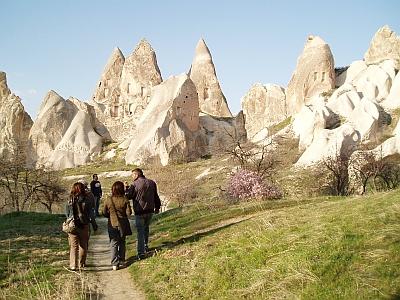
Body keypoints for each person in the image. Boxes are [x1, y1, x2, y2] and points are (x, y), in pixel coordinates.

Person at [126, 168, 161, 259]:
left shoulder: (134, 184)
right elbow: (155, 196)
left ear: (137, 175)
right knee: (146, 228)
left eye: (133, 175)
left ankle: (140, 252)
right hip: (150, 210)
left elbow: (129, 196)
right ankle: (145, 246)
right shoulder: (151, 182)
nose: (132, 177)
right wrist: (157, 207)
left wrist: (126, 188)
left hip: (139, 211)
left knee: (140, 232)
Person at [65, 182, 98, 271]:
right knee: (83, 244)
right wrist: (94, 224)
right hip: (84, 224)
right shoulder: (87, 199)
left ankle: (73, 265)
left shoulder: (69, 199)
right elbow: (91, 213)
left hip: (72, 225)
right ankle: (81, 263)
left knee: (73, 246)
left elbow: (67, 213)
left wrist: (69, 220)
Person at [103, 181, 132, 270]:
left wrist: (110, 214)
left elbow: (104, 212)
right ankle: (122, 260)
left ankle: (114, 263)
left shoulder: (109, 199)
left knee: (114, 243)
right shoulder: (125, 199)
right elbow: (129, 213)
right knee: (122, 242)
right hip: (123, 224)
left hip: (112, 223)